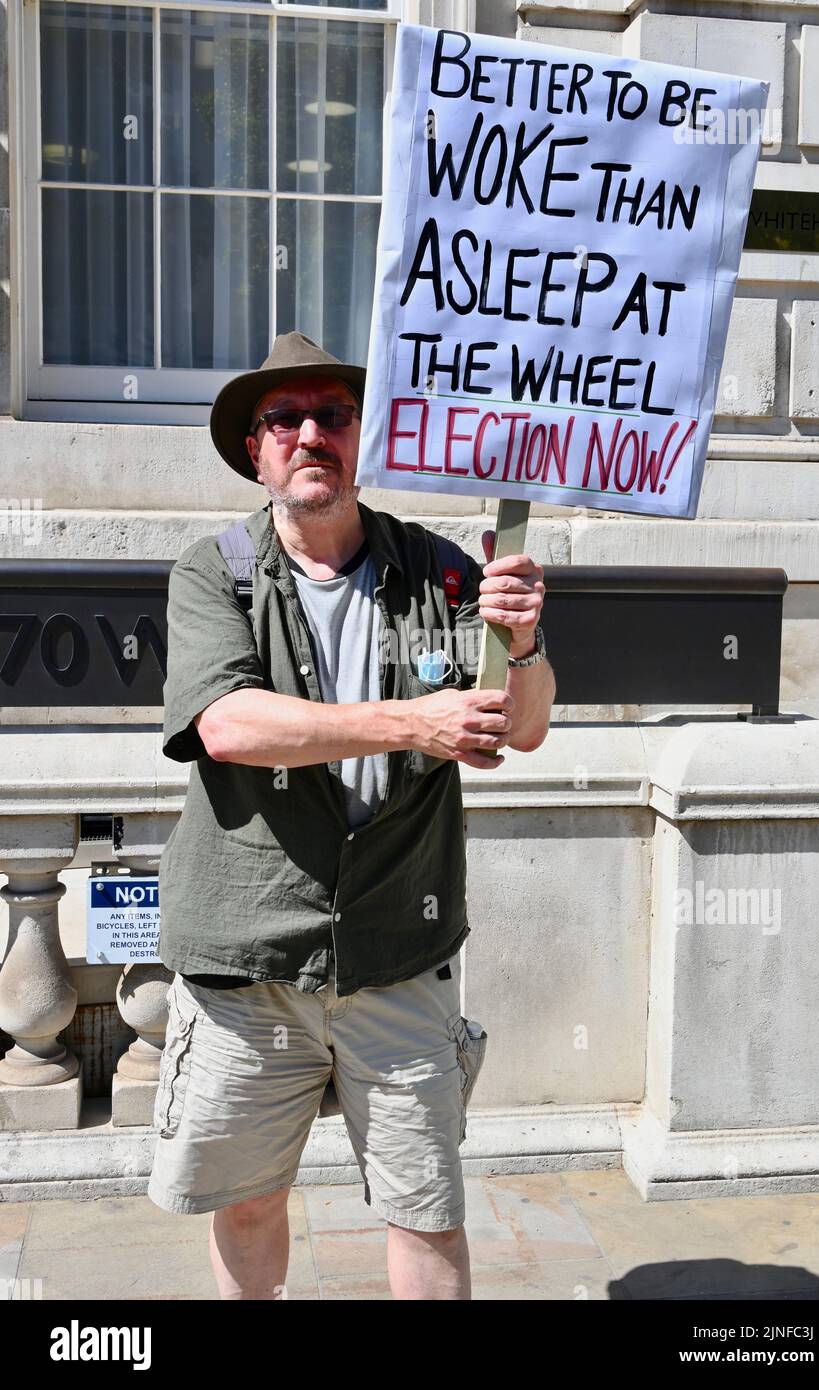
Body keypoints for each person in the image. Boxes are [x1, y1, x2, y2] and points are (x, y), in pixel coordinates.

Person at [147, 331, 556, 1299]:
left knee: (428, 1211)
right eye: (284, 418)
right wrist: (415, 719)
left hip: (397, 952)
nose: (309, 434)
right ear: (258, 449)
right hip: (254, 956)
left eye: (332, 413)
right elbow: (230, 726)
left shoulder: (444, 574)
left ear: (364, 434)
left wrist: (525, 639)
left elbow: (524, 728)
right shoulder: (216, 573)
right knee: (247, 1202)